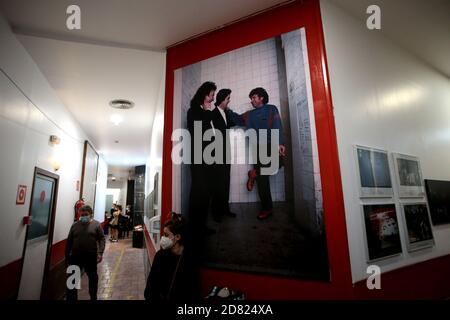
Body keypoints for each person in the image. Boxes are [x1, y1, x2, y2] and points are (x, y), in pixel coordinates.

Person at [226, 87, 286, 220]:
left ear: (261, 98)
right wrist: (227, 110)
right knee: (263, 181)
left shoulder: (271, 109)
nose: (252, 100)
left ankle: (253, 174)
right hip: (257, 148)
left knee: (277, 165)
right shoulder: (249, 115)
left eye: (254, 97)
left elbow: (277, 124)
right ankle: (267, 208)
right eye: (251, 98)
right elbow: (237, 119)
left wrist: (280, 143)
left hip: (271, 146)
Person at [186, 81, 217, 247]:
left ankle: (201, 227)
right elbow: (199, 132)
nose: (212, 99)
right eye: (211, 95)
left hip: (206, 157)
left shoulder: (204, 111)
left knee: (205, 193)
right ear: (204, 94)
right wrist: (206, 111)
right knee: (198, 192)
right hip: (198, 157)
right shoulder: (194, 111)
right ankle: (194, 229)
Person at [144, 213, 200, 302]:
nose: (162, 238)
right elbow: (150, 289)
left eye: (166, 235)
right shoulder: (160, 256)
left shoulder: (190, 260)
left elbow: (193, 291)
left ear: (177, 237)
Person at [65, 205, 105, 300]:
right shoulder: (75, 225)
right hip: (75, 257)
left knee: (93, 279)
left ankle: (93, 297)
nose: (83, 216)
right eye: (82, 214)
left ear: (91, 214)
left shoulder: (96, 225)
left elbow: (101, 239)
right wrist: (67, 257)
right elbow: (69, 241)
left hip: (90, 257)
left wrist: (100, 253)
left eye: (85, 214)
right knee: (72, 282)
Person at [210, 88, 237, 222]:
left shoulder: (226, 113)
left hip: (226, 153)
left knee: (226, 181)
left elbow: (234, 122)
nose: (229, 101)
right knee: (217, 183)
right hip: (216, 154)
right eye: (228, 98)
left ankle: (225, 210)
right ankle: (216, 212)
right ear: (222, 100)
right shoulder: (213, 114)